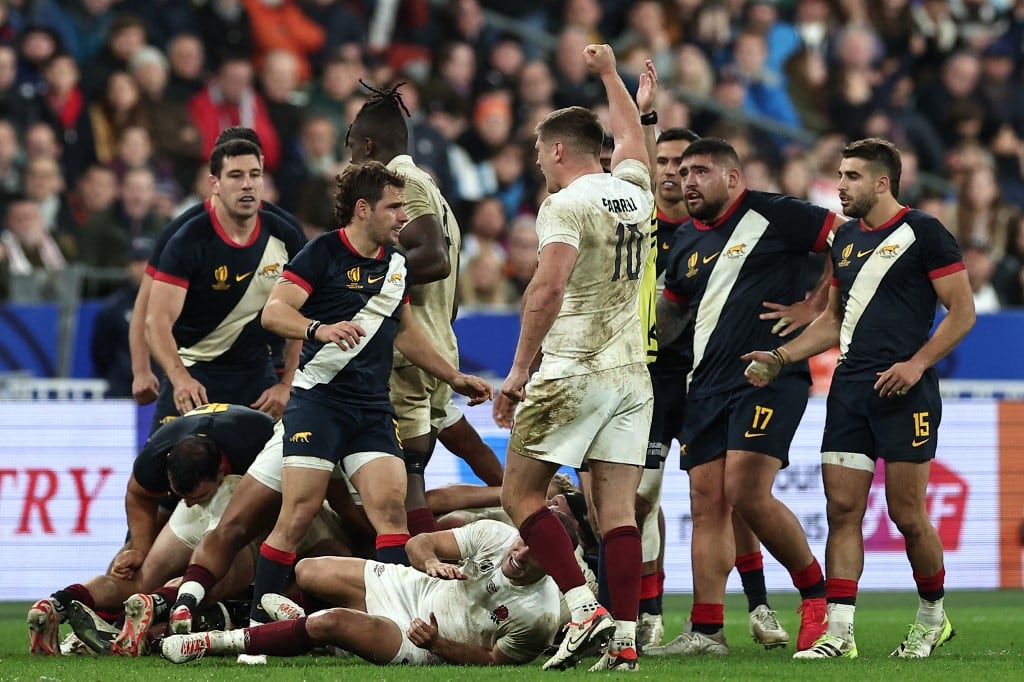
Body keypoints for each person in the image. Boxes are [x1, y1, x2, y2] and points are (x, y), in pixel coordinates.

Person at [741, 138, 975, 659]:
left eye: (850, 176)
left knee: (906, 514)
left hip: (906, 392)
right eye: (839, 175)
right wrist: (779, 357)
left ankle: (932, 617)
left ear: (881, 182)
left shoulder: (926, 233)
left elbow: (962, 312)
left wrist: (917, 364)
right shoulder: (843, 239)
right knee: (842, 509)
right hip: (849, 391)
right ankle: (839, 633)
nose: (840, 185)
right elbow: (831, 322)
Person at [245, 161, 492, 631]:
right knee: (297, 515)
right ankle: (260, 625)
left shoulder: (396, 265)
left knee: (390, 509)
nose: (403, 216)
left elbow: (405, 332)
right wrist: (319, 328)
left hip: (372, 407)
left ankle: (392, 622)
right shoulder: (321, 254)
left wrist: (453, 376)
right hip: (318, 402)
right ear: (363, 210)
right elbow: (274, 314)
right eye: (394, 207)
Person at [651, 136, 844, 656]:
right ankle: (708, 630)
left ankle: (815, 596)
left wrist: (817, 304)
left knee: (745, 490)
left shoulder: (776, 214)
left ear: (733, 178)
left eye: (700, 171)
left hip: (770, 375)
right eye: (683, 171)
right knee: (706, 502)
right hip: (705, 387)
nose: (687, 180)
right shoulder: (688, 240)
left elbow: (846, 241)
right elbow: (668, 318)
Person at [497, 45, 656, 673]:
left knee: (520, 495)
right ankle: (622, 639)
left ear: (559, 150)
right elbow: (634, 145)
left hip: (572, 366)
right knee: (616, 513)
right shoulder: (634, 194)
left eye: (540, 153)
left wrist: (517, 372)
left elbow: (547, 287)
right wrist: (611, 76)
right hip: (630, 377)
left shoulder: (565, 205)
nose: (539, 164)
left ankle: (584, 608)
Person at [639, 127, 790, 651]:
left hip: (712, 375)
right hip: (658, 378)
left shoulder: (735, 225)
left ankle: (760, 603)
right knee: (646, 496)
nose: (676, 174)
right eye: (666, 163)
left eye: (687, 165)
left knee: (735, 496)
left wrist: (815, 307)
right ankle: (651, 613)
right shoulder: (642, 227)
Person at [27, 404, 276, 656]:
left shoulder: (258, 439)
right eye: (182, 495)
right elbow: (138, 494)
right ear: (168, 473)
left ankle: (56, 603)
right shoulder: (156, 457)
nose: (190, 503)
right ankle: (154, 605)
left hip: (242, 479)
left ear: (221, 471)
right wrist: (139, 547)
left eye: (197, 496)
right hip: (241, 493)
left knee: (141, 580)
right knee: (226, 574)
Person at [160, 519, 563, 666]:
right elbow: (419, 541)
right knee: (308, 570)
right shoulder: (497, 535)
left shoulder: (540, 615)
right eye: (523, 541)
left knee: (328, 621)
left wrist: (439, 644)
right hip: (414, 586)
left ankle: (211, 642)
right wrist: (428, 562)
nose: (520, 552)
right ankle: (310, 630)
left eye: (535, 552)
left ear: (556, 563)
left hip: (422, 638)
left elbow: (495, 663)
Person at [345, 80, 463, 538]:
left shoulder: (403, 184)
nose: (351, 160)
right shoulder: (431, 187)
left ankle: (409, 578)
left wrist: (361, 282)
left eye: (354, 149)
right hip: (434, 343)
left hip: (408, 351)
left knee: (399, 485)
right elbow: (452, 282)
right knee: (408, 478)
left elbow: (434, 258)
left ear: (369, 145)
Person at [128, 126, 303, 415]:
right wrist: (141, 370)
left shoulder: (284, 231)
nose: (246, 183)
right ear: (216, 179)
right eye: (235, 174)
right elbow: (147, 309)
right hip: (196, 365)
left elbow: (308, 310)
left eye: (253, 173)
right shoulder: (182, 235)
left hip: (265, 364)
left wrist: (289, 383)